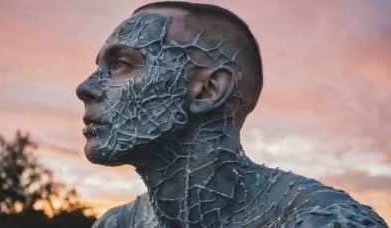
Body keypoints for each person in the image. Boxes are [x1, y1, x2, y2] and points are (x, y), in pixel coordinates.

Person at [76, 2, 387, 227]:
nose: (85, 88)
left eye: (122, 64)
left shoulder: (326, 221)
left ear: (209, 89)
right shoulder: (115, 224)